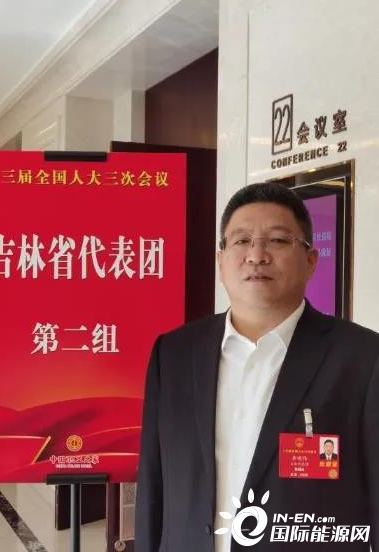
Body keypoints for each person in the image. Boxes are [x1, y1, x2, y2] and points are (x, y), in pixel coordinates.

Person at [135, 182, 379, 551]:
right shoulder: (174, 354)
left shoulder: (362, 358)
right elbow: (153, 488)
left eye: (277, 240)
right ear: (221, 261)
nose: (256, 255)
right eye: (241, 240)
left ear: (311, 260)